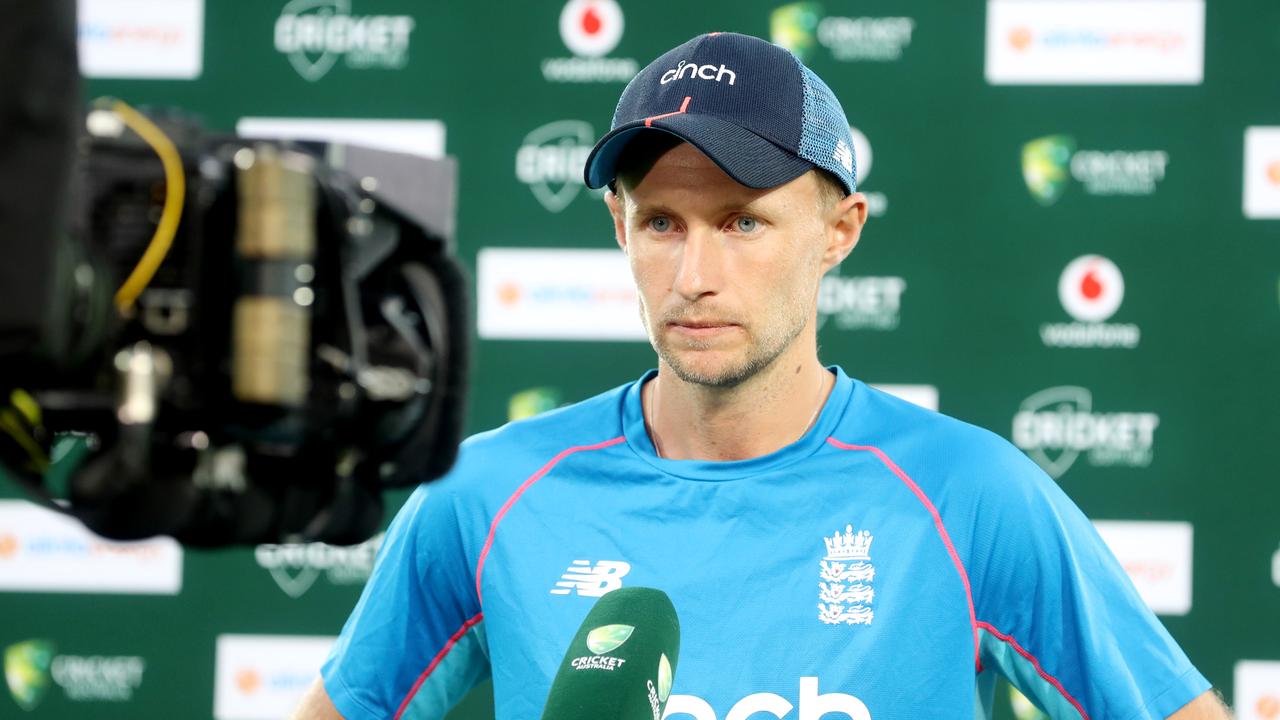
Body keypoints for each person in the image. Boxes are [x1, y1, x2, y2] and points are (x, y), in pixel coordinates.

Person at [294, 32, 1230, 720]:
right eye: (663, 222)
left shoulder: (972, 495)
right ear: (620, 229)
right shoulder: (489, 491)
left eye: (743, 221)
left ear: (840, 231)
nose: (695, 275)